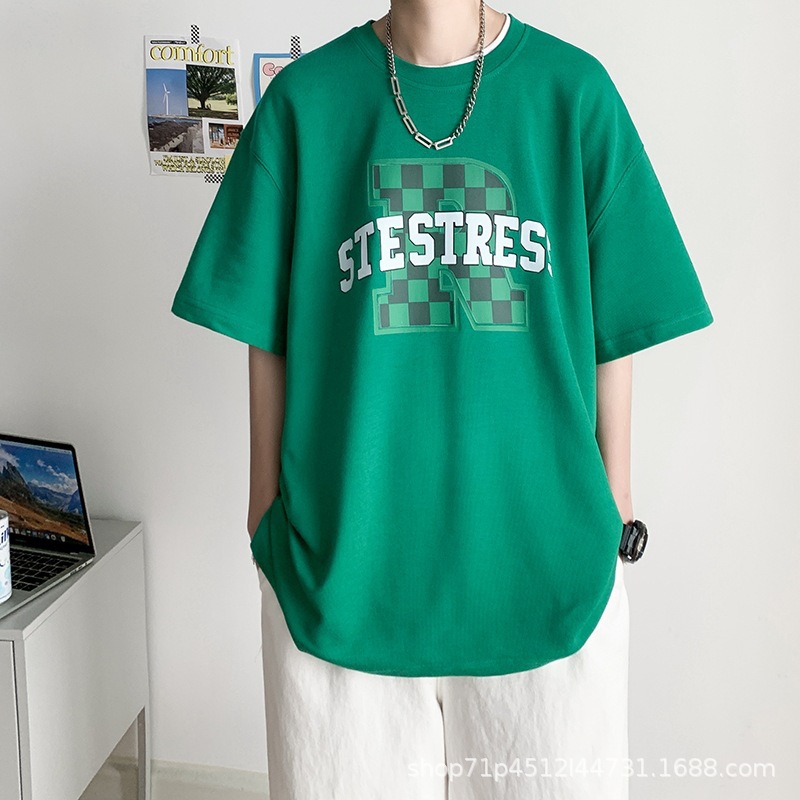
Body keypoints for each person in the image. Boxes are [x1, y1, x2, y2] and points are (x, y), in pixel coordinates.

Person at [170, 1, 714, 797]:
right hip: (342, 580)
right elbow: (267, 329)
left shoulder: (573, 93)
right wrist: (263, 513)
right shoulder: (306, 102)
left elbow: (616, 322)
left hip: (547, 576)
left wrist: (616, 498)